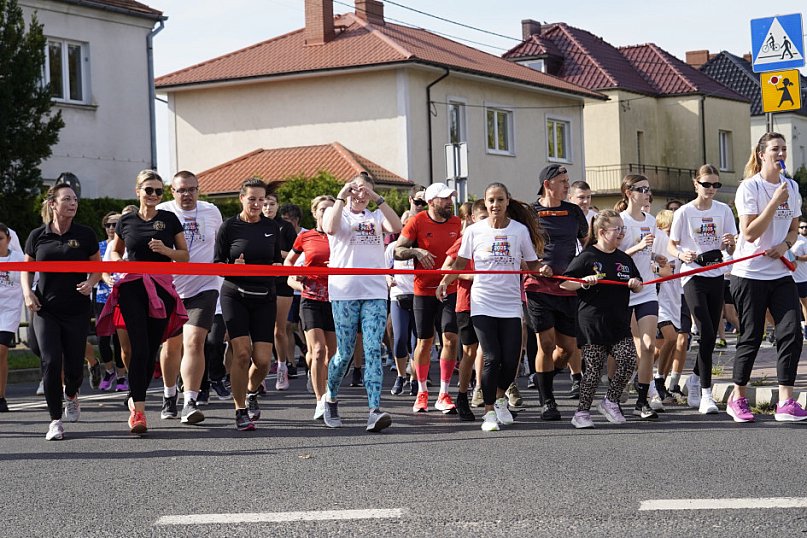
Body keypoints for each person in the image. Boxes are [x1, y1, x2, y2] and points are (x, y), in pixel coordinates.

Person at [437, 182, 550, 432]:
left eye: (500, 200)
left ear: (507, 201)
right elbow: (459, 264)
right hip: (482, 301)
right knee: (491, 357)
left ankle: (499, 399)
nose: (495, 205)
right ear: (485, 203)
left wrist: (542, 269)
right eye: (490, 200)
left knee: (511, 360)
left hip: (510, 302)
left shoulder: (519, 231)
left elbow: (532, 265)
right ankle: (489, 412)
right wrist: (444, 282)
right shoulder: (474, 231)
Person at [99, 170, 188, 435]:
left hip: (161, 288)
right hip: (132, 287)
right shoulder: (126, 221)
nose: (154, 195)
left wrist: (166, 251)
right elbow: (115, 251)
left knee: (150, 351)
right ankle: (139, 410)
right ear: (138, 191)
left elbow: (184, 256)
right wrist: (119, 263)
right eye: (149, 190)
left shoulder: (169, 219)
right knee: (138, 347)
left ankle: (134, 395)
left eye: (159, 191)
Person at [727, 132, 807, 422]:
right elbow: (749, 233)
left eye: (784, 148)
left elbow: (794, 229)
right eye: (775, 149)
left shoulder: (792, 187)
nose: (781, 153)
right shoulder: (750, 187)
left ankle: (785, 401)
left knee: (791, 332)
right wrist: (774, 201)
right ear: (761, 154)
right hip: (749, 274)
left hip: (780, 272)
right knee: (751, 336)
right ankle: (737, 397)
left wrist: (785, 245)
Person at [321, 174, 402, 432]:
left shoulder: (375, 216)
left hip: (374, 292)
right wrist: (342, 195)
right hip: (344, 292)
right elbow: (330, 228)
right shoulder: (338, 212)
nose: (360, 194)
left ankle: (374, 410)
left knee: (373, 349)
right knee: (344, 353)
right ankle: (330, 398)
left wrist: (376, 197)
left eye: (365, 190)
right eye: (356, 189)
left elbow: (396, 226)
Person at [22, 184, 101, 440]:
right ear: (53, 204)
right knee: (51, 361)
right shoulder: (37, 235)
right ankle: (55, 421)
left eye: (75, 199)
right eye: (67, 199)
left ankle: (72, 393)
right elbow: (26, 269)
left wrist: (91, 283)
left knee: (74, 366)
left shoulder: (85, 234)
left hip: (76, 309)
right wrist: (28, 293)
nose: (73, 203)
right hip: (46, 309)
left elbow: (98, 267)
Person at [562, 210, 643, 428]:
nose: (621, 233)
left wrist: (635, 284)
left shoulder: (624, 258)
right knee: (594, 370)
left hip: (619, 322)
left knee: (629, 360)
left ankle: (610, 401)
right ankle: (581, 413)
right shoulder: (587, 256)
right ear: (602, 232)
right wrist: (583, 282)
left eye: (623, 229)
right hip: (592, 323)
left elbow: (638, 283)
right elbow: (565, 283)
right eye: (617, 229)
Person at [215, 178, 283, 431]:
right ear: (241, 198)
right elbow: (217, 264)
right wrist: (232, 267)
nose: (256, 204)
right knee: (242, 353)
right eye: (252, 199)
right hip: (235, 295)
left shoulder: (272, 227)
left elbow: (275, 261)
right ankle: (240, 409)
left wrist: (278, 267)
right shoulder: (229, 227)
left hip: (264, 296)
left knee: (263, 360)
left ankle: (252, 392)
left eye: (261, 200)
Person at [668, 165, 737, 414]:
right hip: (693, 275)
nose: (711, 189)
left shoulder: (723, 210)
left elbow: (731, 247)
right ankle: (707, 393)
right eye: (706, 184)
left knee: (710, 335)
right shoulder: (684, 212)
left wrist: (730, 244)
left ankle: (695, 379)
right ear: (696, 184)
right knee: (706, 330)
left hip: (717, 274)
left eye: (716, 185)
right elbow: (671, 245)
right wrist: (681, 254)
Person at [156, 170, 223, 424]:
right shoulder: (162, 212)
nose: (187, 195)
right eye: (182, 190)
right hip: (171, 288)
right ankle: (169, 394)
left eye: (192, 189)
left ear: (198, 189)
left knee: (195, 342)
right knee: (171, 346)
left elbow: (221, 244)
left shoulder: (211, 211)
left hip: (204, 286)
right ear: (172, 191)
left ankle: (190, 401)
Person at [524, 164, 588, 420]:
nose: (567, 185)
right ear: (547, 184)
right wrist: (535, 267)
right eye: (562, 181)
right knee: (546, 343)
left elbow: (587, 244)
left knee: (567, 349)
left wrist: (586, 270)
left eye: (567, 181)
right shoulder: (530, 213)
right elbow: (519, 247)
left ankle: (546, 376)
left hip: (567, 286)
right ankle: (547, 401)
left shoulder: (573, 212)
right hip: (538, 286)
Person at [395, 182, 462, 414]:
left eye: (451, 198)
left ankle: (444, 393)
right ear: (432, 202)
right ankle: (422, 390)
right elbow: (397, 250)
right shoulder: (417, 221)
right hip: (423, 290)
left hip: (449, 288)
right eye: (445, 199)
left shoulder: (457, 223)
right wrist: (416, 251)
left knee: (450, 339)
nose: (450, 202)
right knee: (424, 342)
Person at [615, 174, 665, 420]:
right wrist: (638, 246)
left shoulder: (651, 220)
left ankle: (642, 400)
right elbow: (613, 256)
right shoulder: (619, 221)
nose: (647, 193)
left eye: (648, 189)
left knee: (648, 346)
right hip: (623, 291)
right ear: (628, 193)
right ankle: (615, 392)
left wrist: (656, 257)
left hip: (647, 290)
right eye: (642, 189)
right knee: (624, 349)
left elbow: (647, 252)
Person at [285, 195, 336, 420]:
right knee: (318, 350)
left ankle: (327, 389)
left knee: (332, 355)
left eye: (331, 209)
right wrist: (297, 276)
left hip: (336, 300)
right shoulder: (305, 237)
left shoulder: (341, 236)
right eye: (322, 209)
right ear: (314, 213)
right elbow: (289, 263)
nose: (327, 213)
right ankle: (320, 400)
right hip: (311, 299)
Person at [442, 199, 489, 421]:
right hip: (467, 302)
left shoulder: (500, 237)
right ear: (472, 218)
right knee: (469, 351)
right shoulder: (466, 239)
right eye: (483, 218)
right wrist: (467, 275)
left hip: (492, 302)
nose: (487, 221)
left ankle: (492, 397)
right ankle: (462, 394)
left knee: (493, 352)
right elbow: (446, 267)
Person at [262, 191, 299, 389]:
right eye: (265, 203)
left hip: (282, 283)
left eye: (272, 204)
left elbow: (296, 254)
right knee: (259, 330)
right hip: (259, 282)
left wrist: (274, 253)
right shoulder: (253, 225)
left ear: (278, 206)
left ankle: (283, 366)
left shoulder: (285, 227)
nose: (268, 207)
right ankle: (260, 374)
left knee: (280, 328)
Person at [95, 212, 126, 392]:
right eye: (108, 225)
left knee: (119, 338)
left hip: (122, 297)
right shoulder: (99, 247)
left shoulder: (126, 243)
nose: (112, 228)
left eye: (115, 224)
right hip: (102, 297)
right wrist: (105, 278)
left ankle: (121, 375)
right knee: (102, 338)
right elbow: (95, 269)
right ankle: (109, 370)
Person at [0, 223, 24, 412]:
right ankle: (1, 397)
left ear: (8, 239)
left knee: (1, 350)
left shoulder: (18, 259)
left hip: (9, 311)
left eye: (0, 239)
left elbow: (33, 280)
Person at [790, 220, 807, 339]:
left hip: (802, 278)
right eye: (802, 227)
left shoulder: (803, 241)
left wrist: (795, 257)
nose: (804, 229)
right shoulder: (783, 239)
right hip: (787, 278)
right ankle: (795, 329)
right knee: (791, 305)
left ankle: (806, 329)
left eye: (806, 227)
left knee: (804, 304)